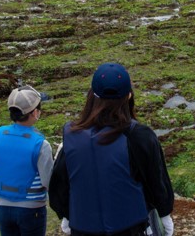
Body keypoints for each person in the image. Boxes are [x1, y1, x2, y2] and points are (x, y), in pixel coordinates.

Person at [49, 63, 174, 236]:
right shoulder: (139, 136)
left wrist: (65, 215)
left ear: (92, 95)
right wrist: (165, 214)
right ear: (129, 95)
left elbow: (59, 184)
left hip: (83, 228)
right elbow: (157, 181)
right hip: (129, 228)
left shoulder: (71, 136)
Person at [0, 85, 54, 236]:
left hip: (3, 206)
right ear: (35, 113)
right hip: (32, 210)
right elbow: (48, 181)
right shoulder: (41, 144)